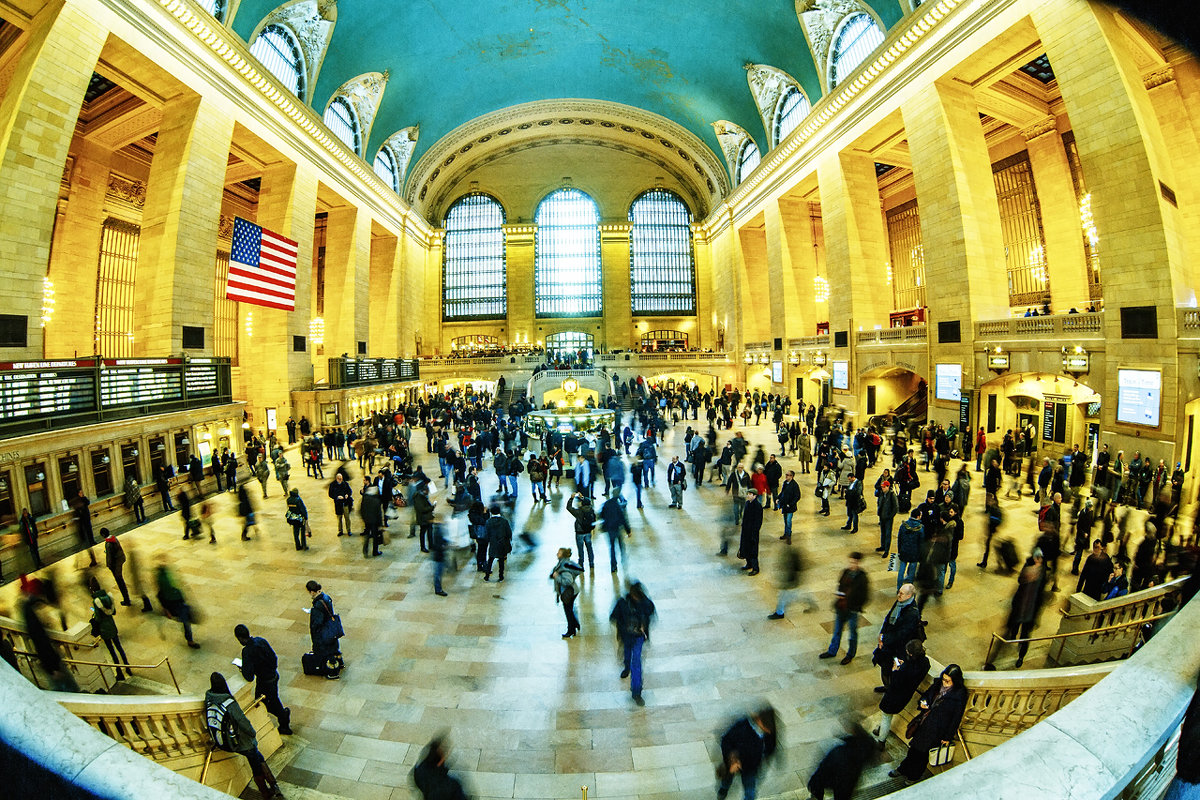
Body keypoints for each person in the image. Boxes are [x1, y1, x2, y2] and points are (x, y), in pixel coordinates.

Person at [204, 672, 284, 798]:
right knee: (256, 764)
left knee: (258, 756)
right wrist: (252, 733)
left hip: (225, 741)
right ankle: (266, 791)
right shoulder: (228, 702)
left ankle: (273, 785)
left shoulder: (209, 698)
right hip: (241, 742)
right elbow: (242, 721)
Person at [890, 664, 968, 783]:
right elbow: (926, 695)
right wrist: (923, 702)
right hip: (924, 722)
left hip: (937, 730)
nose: (944, 683)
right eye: (943, 679)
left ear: (955, 681)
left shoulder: (959, 695)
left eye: (947, 681)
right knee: (913, 749)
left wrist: (947, 737)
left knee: (922, 755)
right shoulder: (937, 685)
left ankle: (913, 776)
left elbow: (956, 718)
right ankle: (903, 769)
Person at [233, 624, 292, 734]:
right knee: (272, 700)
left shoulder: (247, 651)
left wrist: (242, 668)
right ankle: (283, 718)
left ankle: (283, 717)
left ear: (240, 638)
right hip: (273, 675)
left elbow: (249, 676)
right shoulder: (261, 640)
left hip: (264, 682)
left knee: (262, 703)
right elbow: (274, 657)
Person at [875, 639, 930, 746]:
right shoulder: (925, 663)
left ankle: (881, 739)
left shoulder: (905, 669)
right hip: (906, 696)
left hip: (893, 696)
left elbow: (895, 682)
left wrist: (895, 670)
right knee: (888, 716)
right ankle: (881, 730)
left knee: (886, 717)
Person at [716, 707, 778, 800]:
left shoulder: (769, 730)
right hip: (734, 763)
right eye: (765, 727)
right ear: (759, 720)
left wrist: (766, 756)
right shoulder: (742, 726)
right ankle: (723, 790)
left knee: (750, 794)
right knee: (727, 780)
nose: (767, 731)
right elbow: (725, 740)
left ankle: (724, 790)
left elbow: (771, 746)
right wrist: (731, 759)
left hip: (751, 768)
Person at [610, 581, 655, 706]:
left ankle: (636, 691)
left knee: (636, 661)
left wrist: (643, 624)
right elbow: (613, 617)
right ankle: (626, 666)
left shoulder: (645, 603)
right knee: (627, 654)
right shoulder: (623, 603)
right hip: (626, 636)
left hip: (638, 637)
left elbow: (651, 613)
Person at [819, 552, 869, 665]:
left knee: (852, 634)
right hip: (841, 607)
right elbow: (840, 585)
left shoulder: (862, 578)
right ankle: (832, 651)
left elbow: (865, 596)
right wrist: (839, 595)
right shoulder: (845, 572)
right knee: (837, 631)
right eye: (850, 561)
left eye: (854, 562)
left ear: (858, 563)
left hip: (852, 610)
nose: (851, 564)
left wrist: (857, 606)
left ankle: (850, 654)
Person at [806, 721, 876, 800]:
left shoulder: (840, 752)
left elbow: (823, 770)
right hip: (849, 783)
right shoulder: (866, 746)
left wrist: (813, 784)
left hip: (839, 780)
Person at [1003, 549, 1047, 669]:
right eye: (1036, 558)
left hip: (1030, 610)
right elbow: (1019, 580)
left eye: (1039, 559)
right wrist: (1027, 576)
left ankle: (1021, 656)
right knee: (1015, 624)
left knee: (1025, 635)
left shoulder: (1042, 574)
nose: (1037, 561)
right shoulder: (1027, 567)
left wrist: (1037, 617)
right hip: (1020, 605)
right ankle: (1013, 635)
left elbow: (1041, 597)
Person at [874, 583, 921, 691]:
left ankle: (891, 691)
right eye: (899, 592)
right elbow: (888, 619)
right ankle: (887, 687)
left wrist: (884, 639)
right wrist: (881, 635)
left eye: (901, 593)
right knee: (885, 668)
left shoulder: (912, 613)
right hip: (888, 644)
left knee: (894, 671)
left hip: (898, 649)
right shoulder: (900, 602)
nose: (898, 595)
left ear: (909, 596)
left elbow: (902, 634)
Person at [88, 575, 129, 681]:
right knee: (120, 648)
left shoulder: (96, 601)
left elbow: (98, 618)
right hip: (112, 626)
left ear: (92, 589)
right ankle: (128, 668)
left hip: (104, 630)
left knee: (112, 652)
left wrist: (94, 616)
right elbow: (113, 612)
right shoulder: (108, 597)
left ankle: (120, 673)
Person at [155, 557, 200, 648]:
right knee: (185, 620)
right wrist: (165, 608)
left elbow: (177, 583)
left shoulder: (168, 573)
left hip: (178, 600)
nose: (164, 562)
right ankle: (190, 640)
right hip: (174, 602)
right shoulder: (161, 578)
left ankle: (189, 638)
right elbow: (161, 593)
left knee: (185, 620)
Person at [768, 543, 817, 619]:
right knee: (795, 596)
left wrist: (785, 583)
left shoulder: (793, 559)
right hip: (793, 583)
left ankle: (779, 613)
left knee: (784, 597)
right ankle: (811, 603)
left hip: (791, 584)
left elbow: (793, 572)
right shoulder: (793, 557)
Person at [306, 580, 343, 679]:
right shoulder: (326, 597)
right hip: (331, 627)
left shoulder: (318, 604)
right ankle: (340, 662)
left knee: (326, 650)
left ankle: (332, 672)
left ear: (312, 592)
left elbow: (318, 622)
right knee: (333, 647)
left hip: (323, 631)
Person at [551, 547, 584, 639]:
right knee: (569, 610)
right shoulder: (566, 563)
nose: (557, 554)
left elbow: (568, 581)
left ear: (563, 555)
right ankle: (575, 624)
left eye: (559, 553)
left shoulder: (564, 566)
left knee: (568, 611)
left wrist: (557, 576)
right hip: (572, 591)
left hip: (568, 592)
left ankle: (571, 631)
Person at [599, 492, 631, 573]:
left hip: (610, 529)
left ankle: (613, 566)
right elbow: (623, 518)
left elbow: (601, 515)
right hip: (617, 528)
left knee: (612, 547)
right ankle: (623, 561)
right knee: (621, 546)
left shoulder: (606, 504)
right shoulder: (617, 506)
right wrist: (628, 531)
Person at [102, 528, 132, 606]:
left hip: (116, 564)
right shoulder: (114, 538)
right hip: (120, 559)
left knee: (120, 581)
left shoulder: (108, 544)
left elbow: (109, 557)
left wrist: (109, 565)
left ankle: (127, 600)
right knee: (120, 580)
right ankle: (127, 598)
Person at [566, 493, 597, 570]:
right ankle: (591, 563)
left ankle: (581, 563)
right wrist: (583, 497)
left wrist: (571, 498)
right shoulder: (591, 510)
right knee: (589, 548)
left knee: (580, 549)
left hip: (580, 532)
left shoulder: (579, 511)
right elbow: (588, 502)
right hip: (588, 532)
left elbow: (568, 507)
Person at [483, 505, 512, 582]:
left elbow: (486, 534)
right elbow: (509, 533)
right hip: (502, 544)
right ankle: (501, 576)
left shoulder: (488, 522)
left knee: (490, 560)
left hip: (493, 543)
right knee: (501, 561)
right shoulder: (504, 521)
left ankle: (487, 576)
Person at [738, 489, 763, 575]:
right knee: (746, 548)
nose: (748, 495)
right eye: (748, 494)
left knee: (753, 550)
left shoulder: (757, 506)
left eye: (750, 494)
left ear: (755, 496)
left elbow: (758, 521)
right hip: (746, 531)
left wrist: (754, 533)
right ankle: (749, 564)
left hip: (753, 532)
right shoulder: (748, 503)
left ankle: (755, 568)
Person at [876, 480, 898, 558]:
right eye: (882, 487)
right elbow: (879, 502)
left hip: (888, 518)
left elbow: (896, 507)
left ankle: (886, 550)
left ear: (888, 487)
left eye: (884, 487)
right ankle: (883, 546)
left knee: (888, 534)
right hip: (882, 516)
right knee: (883, 532)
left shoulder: (892, 495)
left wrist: (890, 516)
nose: (882, 488)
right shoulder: (882, 494)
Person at [360, 484, 384, 558]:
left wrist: (364, 518)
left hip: (367, 521)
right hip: (374, 522)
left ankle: (365, 550)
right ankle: (375, 551)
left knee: (367, 536)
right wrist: (380, 524)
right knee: (375, 537)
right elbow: (379, 513)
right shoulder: (376, 501)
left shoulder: (364, 499)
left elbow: (361, 510)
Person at [777, 470, 800, 544]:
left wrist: (790, 504)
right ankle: (786, 533)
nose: (786, 476)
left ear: (792, 476)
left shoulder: (794, 485)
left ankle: (789, 536)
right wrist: (778, 498)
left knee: (788, 521)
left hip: (790, 507)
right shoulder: (785, 483)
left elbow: (797, 496)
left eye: (788, 475)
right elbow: (782, 492)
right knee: (785, 520)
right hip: (785, 506)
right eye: (786, 474)